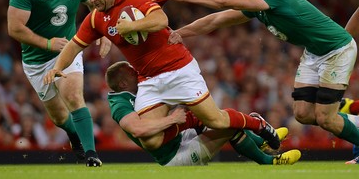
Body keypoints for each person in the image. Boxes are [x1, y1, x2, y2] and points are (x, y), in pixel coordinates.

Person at [43, 0, 281, 152]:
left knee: (217, 121)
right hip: (148, 79)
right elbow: (74, 45)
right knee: (151, 140)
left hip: (178, 69)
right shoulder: (96, 19)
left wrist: (131, 26)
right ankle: (188, 120)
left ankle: (257, 123)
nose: (92, 0)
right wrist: (57, 68)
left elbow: (161, 21)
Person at [165, 0, 359, 159]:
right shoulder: (260, 8)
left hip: (336, 50)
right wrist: (179, 33)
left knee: (325, 119)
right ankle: (348, 116)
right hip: (314, 52)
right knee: (303, 114)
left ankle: (343, 120)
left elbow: (224, 0)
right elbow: (215, 20)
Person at [7, 0, 109, 167]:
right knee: (59, 117)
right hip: (36, 61)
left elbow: (101, 2)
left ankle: (91, 154)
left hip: (68, 50)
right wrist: (47, 43)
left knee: (73, 96)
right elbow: (14, 28)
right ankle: (74, 136)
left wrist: (104, 28)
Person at [104, 61, 301, 165]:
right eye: (133, 73)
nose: (138, 75)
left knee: (214, 117)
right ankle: (270, 160)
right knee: (228, 129)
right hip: (173, 156)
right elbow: (138, 130)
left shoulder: (139, 92)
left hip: (177, 138)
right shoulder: (120, 104)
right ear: (123, 83)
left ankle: (261, 140)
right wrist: (172, 119)